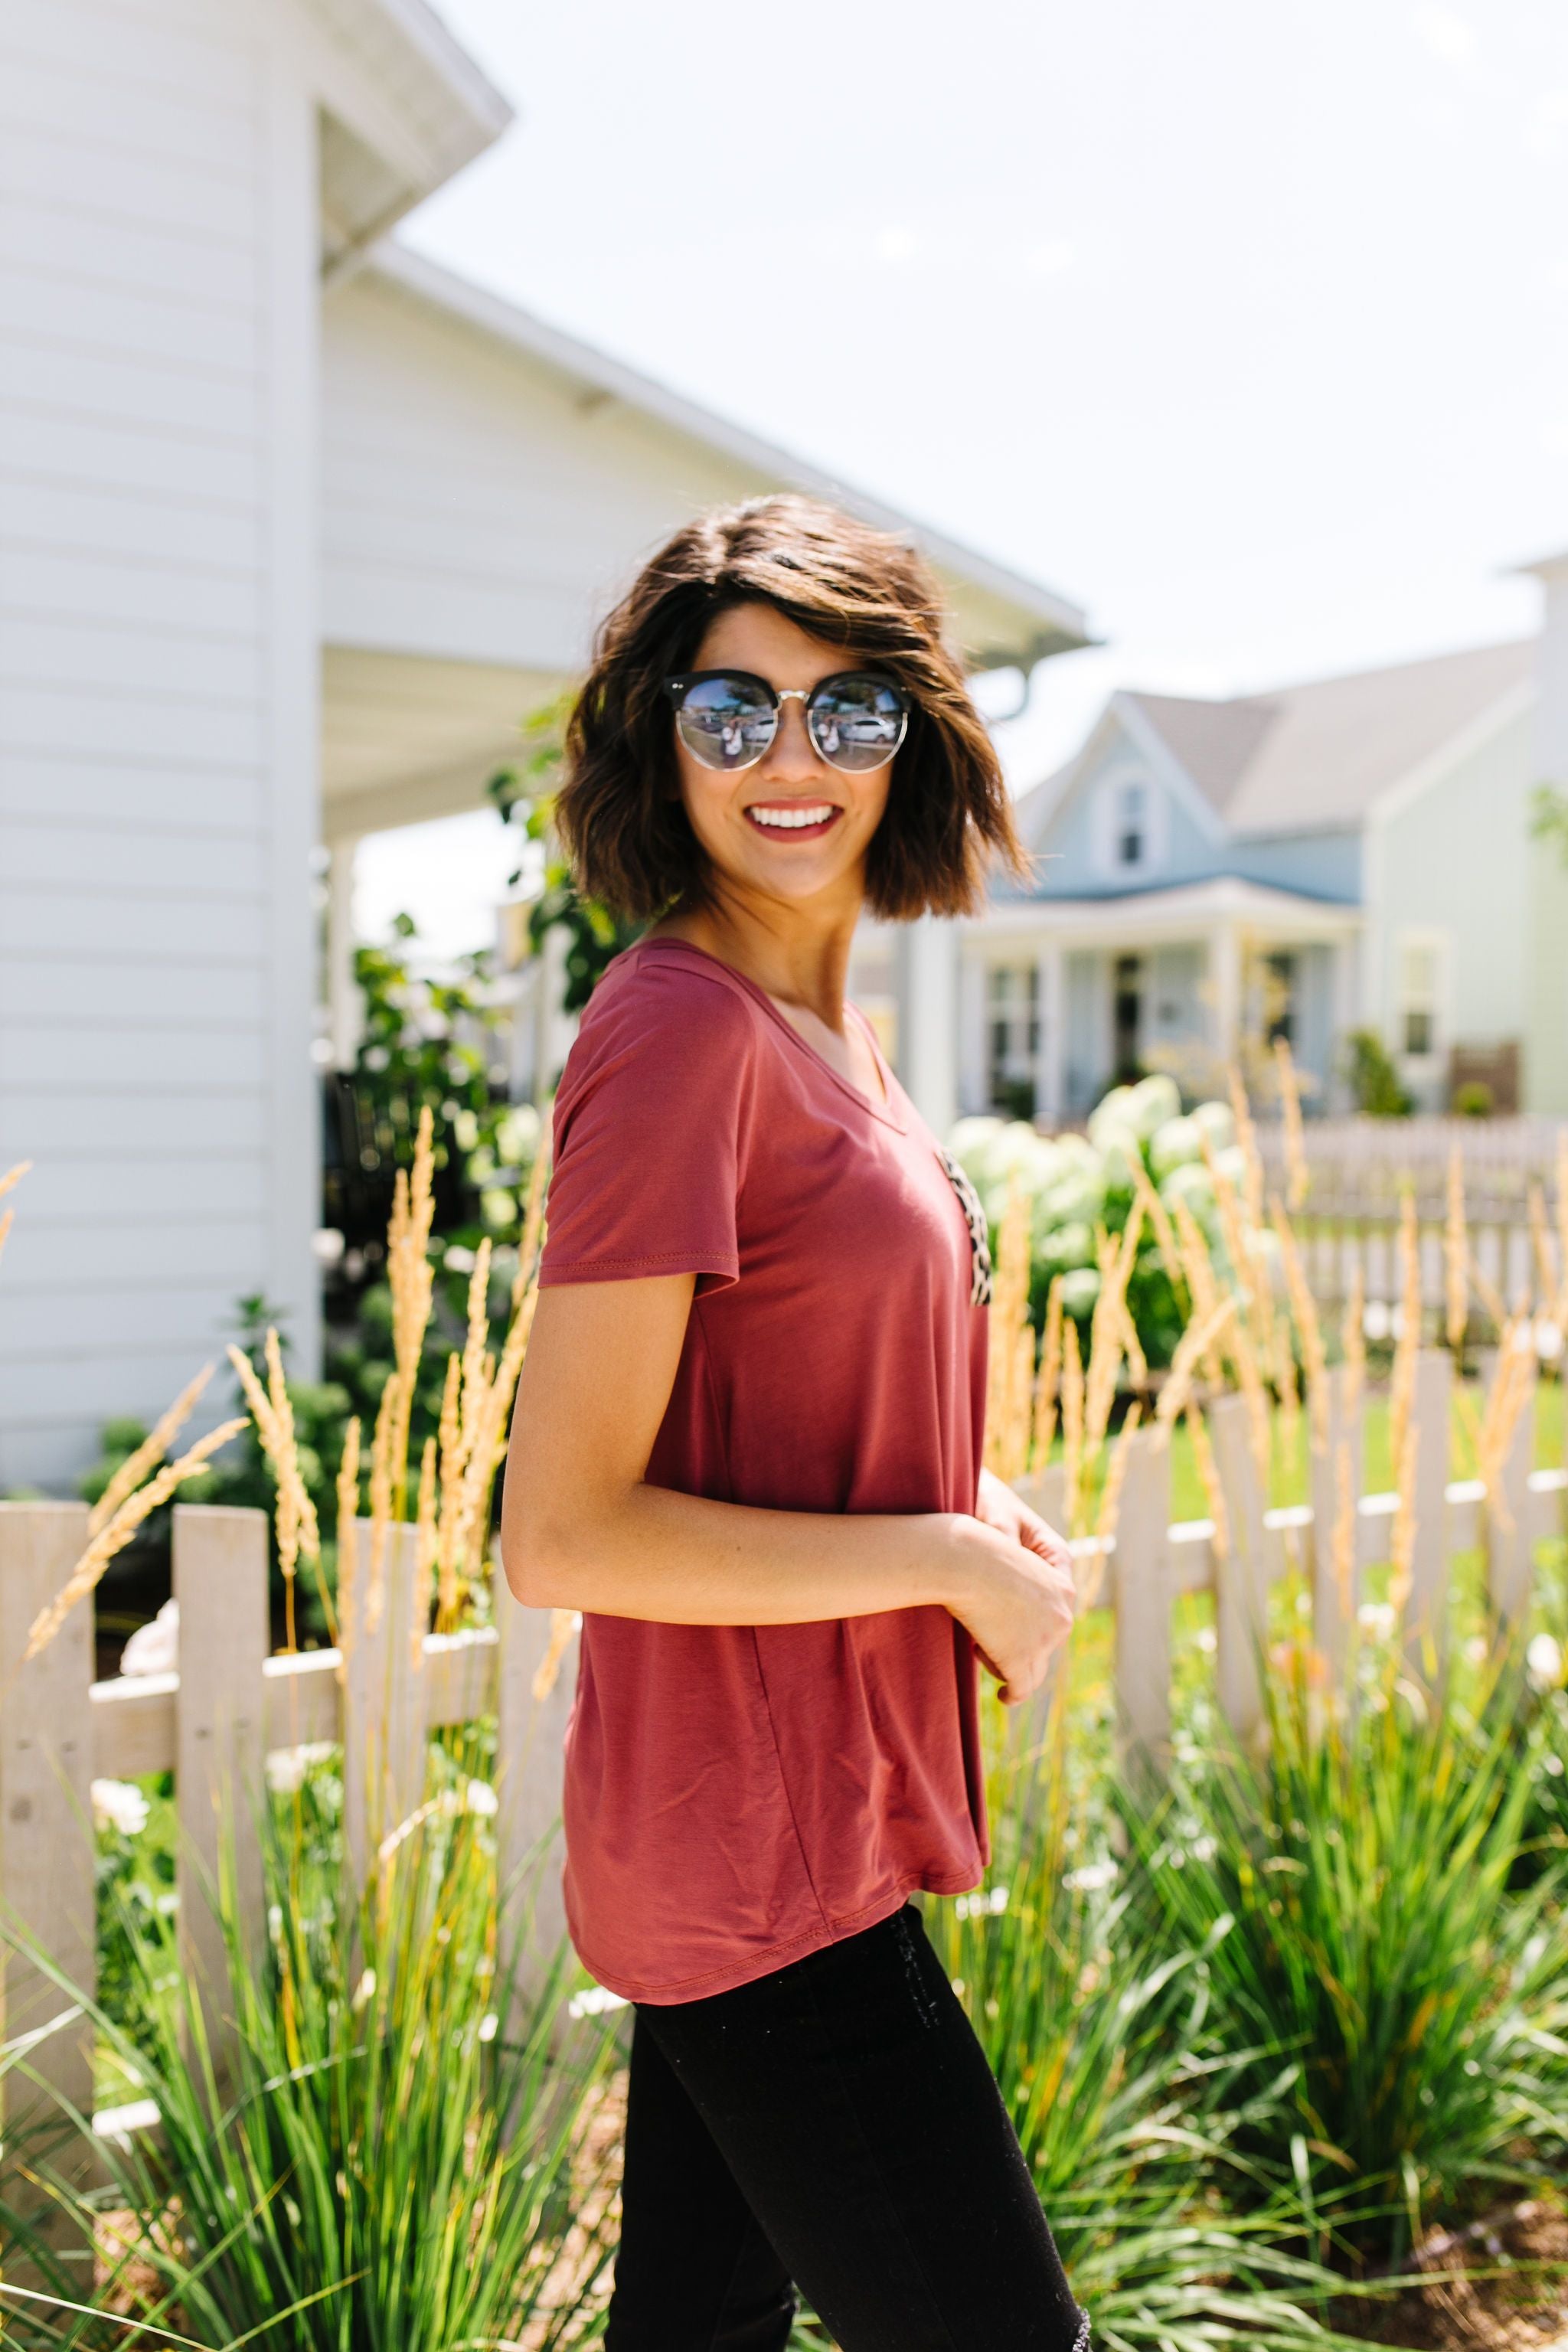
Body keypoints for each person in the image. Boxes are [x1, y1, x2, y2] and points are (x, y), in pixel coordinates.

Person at [501, 494, 1087, 2352]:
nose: (790, 760)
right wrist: (933, 1560)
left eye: (848, 710)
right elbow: (565, 1531)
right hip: (761, 1866)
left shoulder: (824, 1038)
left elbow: (775, 1398)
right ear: (654, 736)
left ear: (912, 740)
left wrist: (967, 1503)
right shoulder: (677, 1032)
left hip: (786, 1830)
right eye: (731, 708)